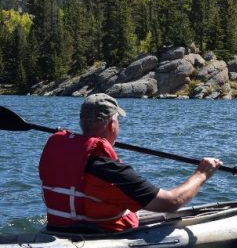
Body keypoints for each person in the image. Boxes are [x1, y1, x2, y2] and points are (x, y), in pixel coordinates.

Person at [39, 93, 222, 233]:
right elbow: (171, 202)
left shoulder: (57, 156)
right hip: (101, 236)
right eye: (118, 121)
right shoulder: (108, 169)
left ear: (82, 123)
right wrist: (202, 174)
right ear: (112, 124)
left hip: (61, 230)